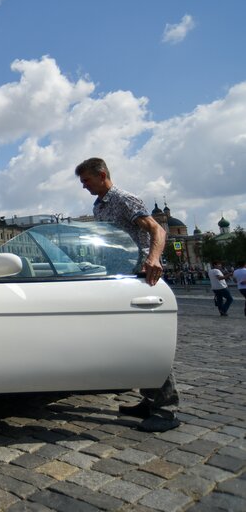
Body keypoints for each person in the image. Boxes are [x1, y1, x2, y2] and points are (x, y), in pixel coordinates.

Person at [75, 157, 180, 432]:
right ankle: (150, 399)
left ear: (101, 175)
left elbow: (156, 229)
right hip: (119, 276)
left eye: (86, 180)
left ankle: (167, 410)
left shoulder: (124, 199)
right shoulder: (99, 206)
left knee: (149, 342)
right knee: (133, 341)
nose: (84, 186)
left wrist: (154, 259)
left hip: (141, 276)